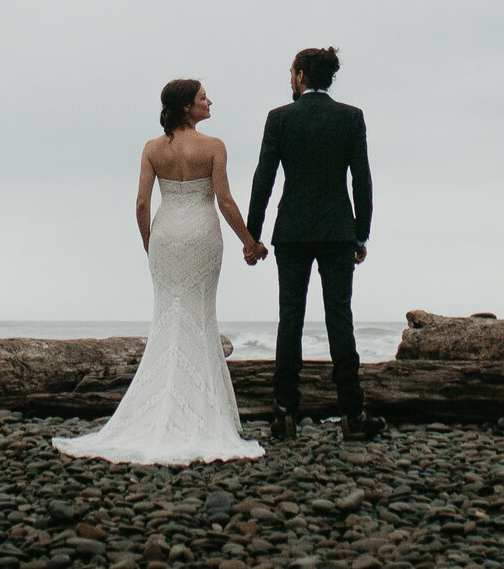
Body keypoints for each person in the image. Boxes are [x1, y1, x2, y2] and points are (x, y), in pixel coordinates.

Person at [51, 79, 267, 464]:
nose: (209, 101)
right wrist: (248, 241)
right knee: (200, 314)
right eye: (203, 97)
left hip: (166, 235)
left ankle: (159, 406)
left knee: (168, 316)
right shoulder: (214, 147)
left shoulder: (153, 149)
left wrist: (149, 242)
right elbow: (225, 200)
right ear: (187, 107)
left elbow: (140, 204)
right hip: (202, 234)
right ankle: (201, 411)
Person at [244, 45, 379, 442]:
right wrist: (361, 231)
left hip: (292, 231)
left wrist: (253, 235)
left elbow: (263, 179)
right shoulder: (351, 118)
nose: (290, 78)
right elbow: (362, 180)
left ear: (302, 75)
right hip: (338, 229)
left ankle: (285, 413)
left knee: (291, 319)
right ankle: (352, 414)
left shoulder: (279, 119)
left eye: (291, 72)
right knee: (340, 318)